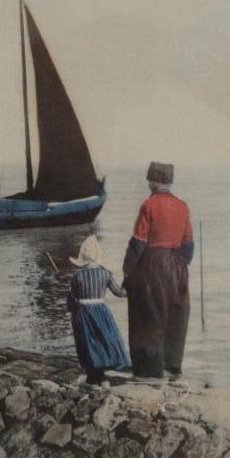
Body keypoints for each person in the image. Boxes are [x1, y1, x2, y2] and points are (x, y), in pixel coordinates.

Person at [123, 162, 194, 380]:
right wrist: (180, 265)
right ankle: (172, 366)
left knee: (148, 315)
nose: (148, 183)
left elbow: (138, 242)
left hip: (152, 264)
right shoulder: (183, 206)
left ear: (154, 181)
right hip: (177, 264)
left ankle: (148, 370)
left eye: (149, 179)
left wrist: (128, 269)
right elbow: (189, 245)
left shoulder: (149, 205)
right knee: (176, 315)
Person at [67, 234, 131, 386]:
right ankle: (101, 376)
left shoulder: (77, 276)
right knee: (103, 340)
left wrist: (73, 311)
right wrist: (130, 282)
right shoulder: (105, 273)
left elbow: (70, 300)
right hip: (101, 311)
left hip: (83, 311)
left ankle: (92, 375)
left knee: (88, 341)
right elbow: (120, 292)